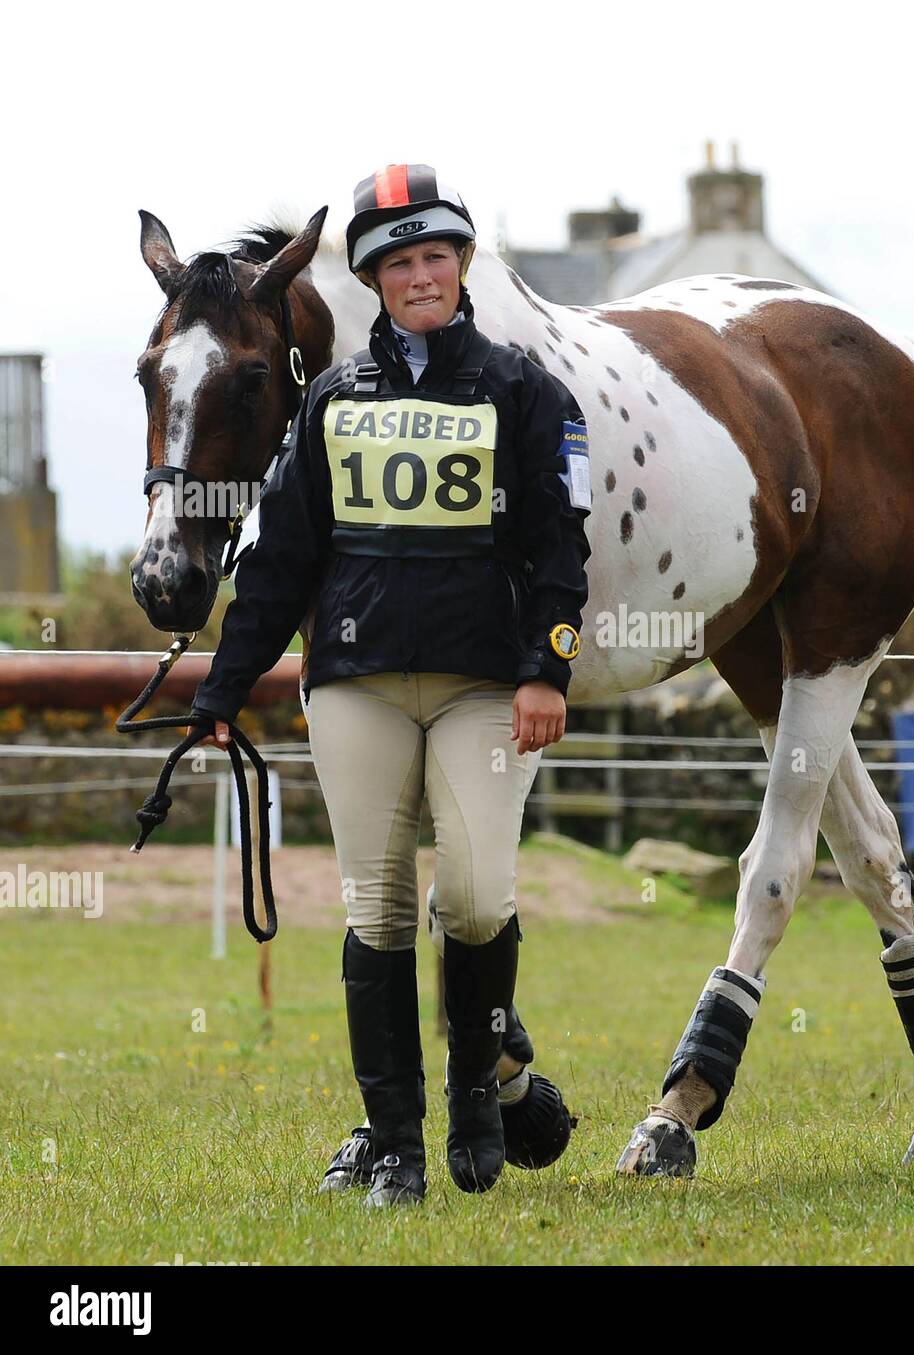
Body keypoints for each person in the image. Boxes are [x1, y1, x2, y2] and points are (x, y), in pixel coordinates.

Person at [190, 164, 592, 1206]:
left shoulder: (526, 391)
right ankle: (395, 1143)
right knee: (375, 907)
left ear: (458, 265)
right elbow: (280, 560)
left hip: (481, 685)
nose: (420, 276)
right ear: (372, 279)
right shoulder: (328, 400)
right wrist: (220, 688)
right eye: (398, 262)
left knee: (472, 894)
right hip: (356, 682)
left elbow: (559, 545)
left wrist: (547, 664)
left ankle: (474, 1091)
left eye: (435, 256)